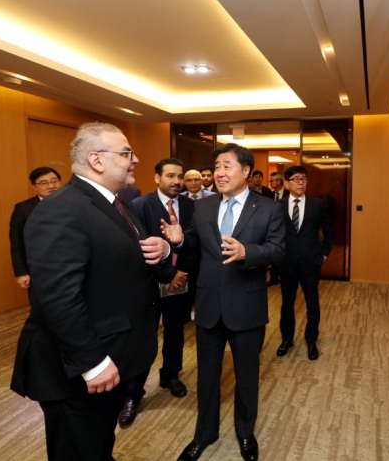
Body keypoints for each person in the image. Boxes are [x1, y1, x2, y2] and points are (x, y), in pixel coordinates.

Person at [10, 122, 170, 460]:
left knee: (97, 446)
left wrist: (163, 249)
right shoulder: (61, 209)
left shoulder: (115, 204)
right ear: (96, 160)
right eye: (126, 153)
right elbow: (57, 298)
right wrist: (92, 362)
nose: (135, 159)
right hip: (77, 371)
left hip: (111, 357)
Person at [162, 143, 285, 461]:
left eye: (227, 165)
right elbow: (193, 242)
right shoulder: (203, 206)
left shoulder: (268, 208)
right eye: (217, 166)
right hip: (208, 304)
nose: (219, 172)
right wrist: (179, 239)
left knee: (247, 376)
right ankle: (204, 433)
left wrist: (248, 252)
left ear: (246, 170)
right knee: (207, 376)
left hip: (247, 305)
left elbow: (278, 250)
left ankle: (245, 432)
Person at [117, 158, 197, 428]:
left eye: (180, 176)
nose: (177, 181)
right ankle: (132, 393)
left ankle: (170, 375)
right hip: (149, 284)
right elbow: (138, 248)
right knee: (144, 337)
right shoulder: (139, 206)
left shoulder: (192, 206)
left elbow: (195, 244)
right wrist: (169, 273)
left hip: (181, 282)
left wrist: (181, 273)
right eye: (171, 176)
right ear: (157, 178)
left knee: (175, 331)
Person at [276, 166, 333, 361]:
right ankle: (286, 339)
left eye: (304, 178)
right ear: (286, 183)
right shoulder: (278, 206)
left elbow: (329, 230)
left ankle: (311, 341)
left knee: (312, 304)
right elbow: (273, 233)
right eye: (296, 179)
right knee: (287, 304)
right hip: (287, 263)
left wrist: (324, 254)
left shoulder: (317, 204)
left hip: (310, 263)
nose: (300, 182)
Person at [9, 166, 62, 289]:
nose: (51, 186)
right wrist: (21, 272)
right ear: (34, 186)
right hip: (39, 269)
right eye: (44, 183)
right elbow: (17, 242)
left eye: (54, 181)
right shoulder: (23, 209)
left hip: (70, 266)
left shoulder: (71, 204)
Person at [266, 172, 289, 285]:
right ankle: (273, 277)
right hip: (272, 229)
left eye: (272, 181)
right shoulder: (269, 195)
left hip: (287, 229)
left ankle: (285, 277)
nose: (270, 183)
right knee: (274, 251)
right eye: (270, 181)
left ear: (279, 182)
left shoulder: (289, 194)